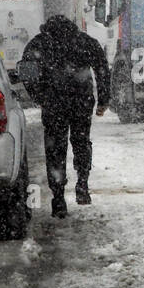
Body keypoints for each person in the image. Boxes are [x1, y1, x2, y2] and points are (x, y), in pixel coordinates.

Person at [19, 14, 110, 218]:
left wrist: (39, 96)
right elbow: (102, 68)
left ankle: (58, 198)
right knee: (81, 141)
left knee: (55, 149)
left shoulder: (39, 44)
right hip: (81, 101)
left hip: (54, 105)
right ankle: (83, 183)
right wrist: (104, 98)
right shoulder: (85, 41)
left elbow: (26, 73)